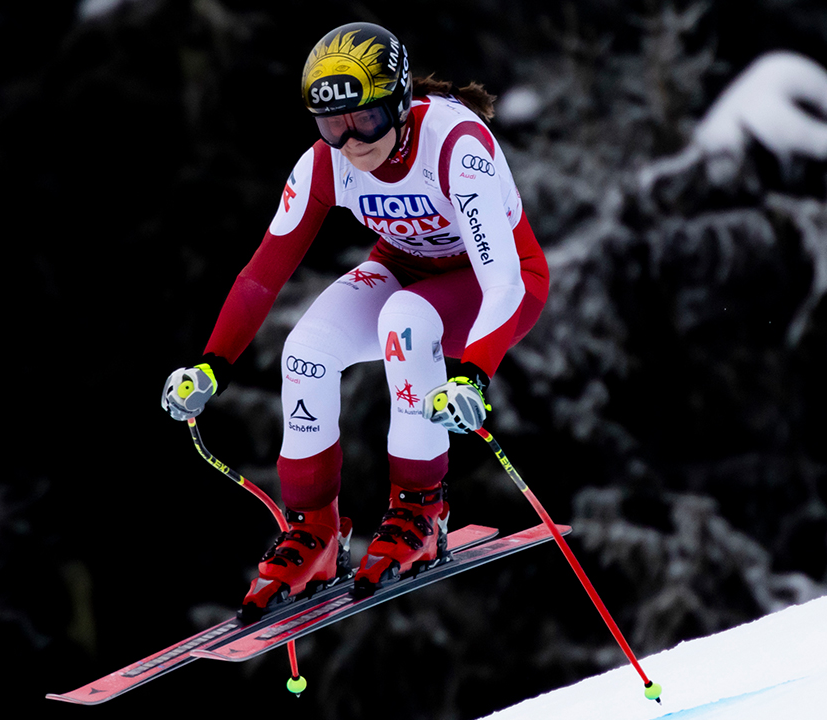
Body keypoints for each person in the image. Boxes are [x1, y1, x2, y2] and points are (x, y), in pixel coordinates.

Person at [160, 21, 548, 617]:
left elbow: (504, 279)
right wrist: (212, 364)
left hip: (500, 285)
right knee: (306, 350)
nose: (350, 142)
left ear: (397, 102)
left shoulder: (453, 144)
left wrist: (473, 374)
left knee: (405, 318)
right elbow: (262, 274)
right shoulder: (326, 163)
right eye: (331, 125)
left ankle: (421, 510)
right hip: (408, 268)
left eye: (364, 119)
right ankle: (313, 532)